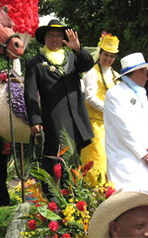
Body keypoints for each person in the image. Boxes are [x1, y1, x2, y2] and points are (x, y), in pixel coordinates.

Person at [24, 19, 94, 197]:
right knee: (55, 160)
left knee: (73, 160)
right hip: (54, 120)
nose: (55, 39)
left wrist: (78, 48)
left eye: (58, 36)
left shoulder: (71, 57)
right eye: (51, 36)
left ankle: (73, 197)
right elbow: (30, 95)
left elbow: (88, 64)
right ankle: (53, 199)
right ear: (45, 39)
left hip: (75, 118)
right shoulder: (35, 64)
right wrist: (35, 120)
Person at [80, 32, 120, 186]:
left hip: (111, 126)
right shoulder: (92, 72)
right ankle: (94, 194)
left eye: (111, 56)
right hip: (94, 125)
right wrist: (109, 109)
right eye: (106, 55)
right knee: (97, 159)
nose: (108, 59)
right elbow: (89, 97)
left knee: (112, 159)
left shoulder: (116, 75)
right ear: (100, 53)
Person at [104, 52, 148, 191]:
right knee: (128, 203)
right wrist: (144, 153)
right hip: (125, 158)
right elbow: (124, 128)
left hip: (143, 158)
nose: (147, 77)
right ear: (138, 73)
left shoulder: (141, 94)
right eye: (146, 73)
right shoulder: (115, 94)